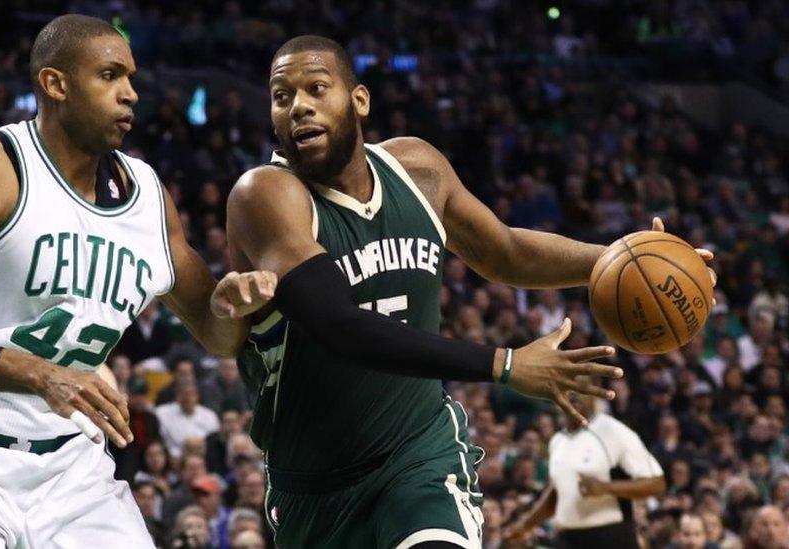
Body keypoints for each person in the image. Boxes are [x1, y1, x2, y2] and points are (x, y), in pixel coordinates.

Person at [227, 35, 714, 548]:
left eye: (316, 88)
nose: (298, 105)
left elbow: (504, 251)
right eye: (282, 96)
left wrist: (624, 260)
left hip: (419, 455)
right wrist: (504, 364)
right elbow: (337, 325)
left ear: (360, 100)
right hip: (313, 486)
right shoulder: (265, 195)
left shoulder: (418, 170)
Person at [0, 15, 275, 548]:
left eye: (131, 78)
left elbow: (220, 337)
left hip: (71, 470)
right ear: (55, 84)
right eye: (109, 76)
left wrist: (232, 302)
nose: (130, 94)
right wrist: (40, 374)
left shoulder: (148, 194)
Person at [503, 378, 667, 548]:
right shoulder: (558, 440)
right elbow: (559, 492)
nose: (573, 392)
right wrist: (526, 525)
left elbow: (657, 484)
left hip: (611, 537)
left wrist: (606, 487)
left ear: (594, 392)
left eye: (580, 387)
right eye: (567, 386)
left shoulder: (612, 431)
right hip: (569, 537)